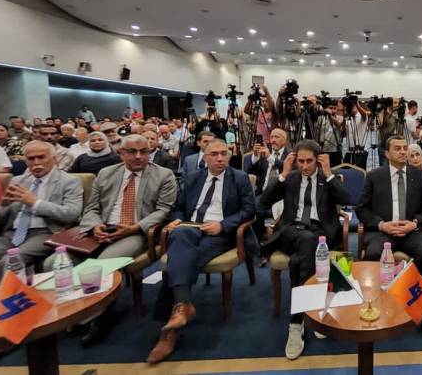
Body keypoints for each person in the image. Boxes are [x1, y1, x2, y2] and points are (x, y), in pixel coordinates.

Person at [147, 139, 255, 363]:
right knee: (180, 235)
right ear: (204, 157)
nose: (220, 158)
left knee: (179, 260)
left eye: (224, 153)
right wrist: (177, 220)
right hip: (191, 227)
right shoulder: (193, 178)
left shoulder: (240, 178)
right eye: (214, 154)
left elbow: (249, 211)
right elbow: (178, 207)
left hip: (220, 234)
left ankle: (171, 330)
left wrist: (222, 225)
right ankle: (182, 307)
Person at [75, 134, 177, 346]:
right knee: (56, 262)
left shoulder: (163, 175)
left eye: (144, 151)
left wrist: (134, 228)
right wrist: (95, 226)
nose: (138, 156)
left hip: (136, 231)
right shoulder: (106, 173)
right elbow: (92, 208)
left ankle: (98, 318)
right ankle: (75, 310)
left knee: (103, 264)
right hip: (103, 228)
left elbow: (164, 210)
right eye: (132, 151)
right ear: (120, 153)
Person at [259, 140, 351, 360]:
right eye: (300, 161)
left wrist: (329, 174)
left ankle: (297, 322)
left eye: (310, 161)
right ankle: (308, 315)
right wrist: (283, 174)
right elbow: (263, 201)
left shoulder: (328, 179)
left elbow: (348, 200)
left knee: (299, 259)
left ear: (318, 160)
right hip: (290, 231)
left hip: (320, 233)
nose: (305, 166)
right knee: (308, 241)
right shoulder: (290, 178)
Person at [356, 135, 422, 339]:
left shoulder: (419, 176)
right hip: (383, 231)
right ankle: (374, 302)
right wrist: (382, 225)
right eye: (397, 148)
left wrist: (415, 223)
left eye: (405, 148)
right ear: (387, 153)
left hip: (411, 231)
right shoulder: (374, 176)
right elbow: (362, 209)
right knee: (373, 253)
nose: (403, 152)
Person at [0, 141, 82, 274]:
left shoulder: (69, 181)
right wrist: (3, 204)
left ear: (54, 159)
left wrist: (35, 203)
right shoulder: (18, 181)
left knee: (9, 262)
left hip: (44, 232)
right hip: (12, 234)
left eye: (41, 157)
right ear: (26, 162)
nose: (36, 162)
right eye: (31, 159)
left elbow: (71, 214)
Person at [245, 128, 290, 243]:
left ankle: (270, 238)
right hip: (263, 193)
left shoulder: (290, 155)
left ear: (285, 140)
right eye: (271, 137)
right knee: (252, 208)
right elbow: (250, 171)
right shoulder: (264, 152)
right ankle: (256, 241)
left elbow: (287, 169)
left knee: (270, 212)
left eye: (276, 137)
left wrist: (270, 157)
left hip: (281, 196)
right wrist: (256, 156)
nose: (273, 140)